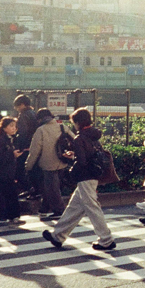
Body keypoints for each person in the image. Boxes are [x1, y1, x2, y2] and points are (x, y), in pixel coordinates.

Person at [42, 108, 117, 252]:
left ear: (77, 122)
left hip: (85, 176)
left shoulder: (79, 138)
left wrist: (72, 158)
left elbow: (82, 161)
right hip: (94, 175)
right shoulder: (94, 135)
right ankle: (58, 236)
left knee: (92, 208)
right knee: (74, 207)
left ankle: (106, 239)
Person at [24, 108, 70, 220]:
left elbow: (34, 151)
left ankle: (59, 210)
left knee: (52, 188)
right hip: (63, 162)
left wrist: (28, 166)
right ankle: (44, 209)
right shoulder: (62, 126)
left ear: (39, 119)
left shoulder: (41, 130)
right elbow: (74, 139)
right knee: (49, 188)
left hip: (48, 164)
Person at [13, 94, 39, 198]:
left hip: (25, 147)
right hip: (34, 145)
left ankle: (30, 189)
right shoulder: (33, 113)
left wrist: (20, 147)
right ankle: (34, 190)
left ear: (22, 105)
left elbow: (23, 133)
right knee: (32, 169)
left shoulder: (24, 115)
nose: (16, 108)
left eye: (17, 106)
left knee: (20, 170)